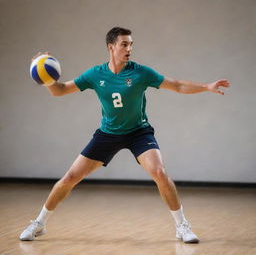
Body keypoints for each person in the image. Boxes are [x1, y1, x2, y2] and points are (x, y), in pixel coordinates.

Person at [20, 27, 230, 243]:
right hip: (107, 134)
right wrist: (44, 76)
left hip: (139, 132)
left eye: (131, 44)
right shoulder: (95, 74)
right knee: (70, 178)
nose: (129, 48)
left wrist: (206, 86)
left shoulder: (140, 72)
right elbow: (60, 90)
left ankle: (182, 226)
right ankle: (39, 223)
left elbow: (176, 85)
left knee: (160, 173)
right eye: (124, 44)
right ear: (111, 47)